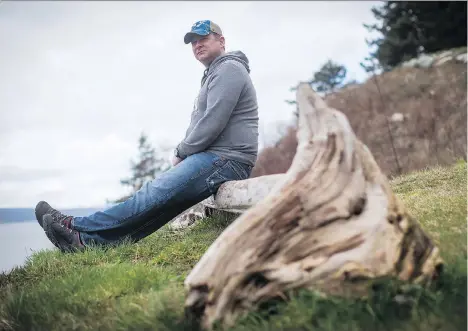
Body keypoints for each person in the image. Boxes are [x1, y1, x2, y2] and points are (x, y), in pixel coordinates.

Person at [34, 20, 259, 252]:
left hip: (227, 159)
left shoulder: (229, 69)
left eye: (203, 39)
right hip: (219, 157)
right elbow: (202, 123)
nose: (197, 45)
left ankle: (73, 225)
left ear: (221, 41)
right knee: (162, 206)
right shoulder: (215, 73)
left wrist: (182, 151)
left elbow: (212, 122)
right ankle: (85, 243)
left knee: (153, 193)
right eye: (193, 42)